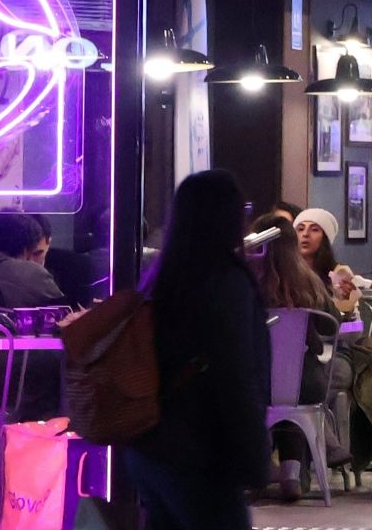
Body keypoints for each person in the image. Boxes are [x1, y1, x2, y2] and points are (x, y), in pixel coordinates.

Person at [119, 170, 271, 530]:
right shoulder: (225, 280)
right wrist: (254, 454)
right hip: (201, 450)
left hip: (149, 444)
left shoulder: (161, 276)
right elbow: (235, 375)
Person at [293, 207, 372, 476]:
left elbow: (354, 334)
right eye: (300, 228)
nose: (305, 235)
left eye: (314, 229)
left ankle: (300, 465)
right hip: (295, 357)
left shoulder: (338, 277)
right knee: (294, 386)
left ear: (326, 238)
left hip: (337, 353)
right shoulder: (284, 276)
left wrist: (348, 310)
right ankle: (326, 449)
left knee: (315, 386)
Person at [249, 213, 345, 500]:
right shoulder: (310, 283)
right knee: (294, 388)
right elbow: (333, 323)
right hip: (305, 385)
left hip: (254, 385)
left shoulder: (246, 284)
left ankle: (256, 466)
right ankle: (292, 472)